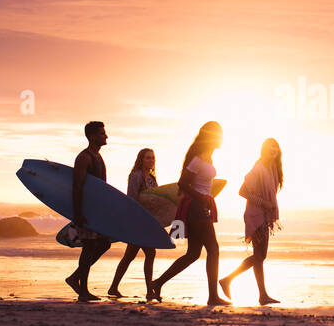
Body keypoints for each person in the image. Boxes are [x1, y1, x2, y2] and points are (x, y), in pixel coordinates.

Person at [149, 121, 229, 306]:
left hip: (200, 206)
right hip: (196, 208)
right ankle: (213, 296)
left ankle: (157, 283)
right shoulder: (198, 159)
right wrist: (201, 198)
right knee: (213, 249)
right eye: (219, 134)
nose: (222, 138)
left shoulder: (207, 158)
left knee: (193, 253)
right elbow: (183, 184)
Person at [220, 138, 283, 305]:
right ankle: (227, 280)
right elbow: (242, 191)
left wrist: (267, 206)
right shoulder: (258, 168)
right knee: (260, 255)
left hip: (262, 215)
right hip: (256, 215)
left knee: (259, 256)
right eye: (270, 147)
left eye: (275, 147)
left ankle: (262, 295)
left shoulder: (272, 169)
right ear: (263, 149)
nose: (273, 150)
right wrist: (264, 203)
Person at [64, 121, 111, 301]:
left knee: (103, 244)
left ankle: (75, 278)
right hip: (86, 210)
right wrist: (77, 213)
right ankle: (82, 290)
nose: (106, 136)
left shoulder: (98, 157)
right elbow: (77, 187)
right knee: (89, 247)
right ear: (92, 136)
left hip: (97, 211)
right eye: (102, 133)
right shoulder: (84, 158)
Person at [108, 148, 158, 298]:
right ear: (141, 160)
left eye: (153, 158)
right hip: (138, 221)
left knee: (130, 255)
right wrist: (134, 221)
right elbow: (131, 198)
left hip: (147, 221)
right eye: (148, 158)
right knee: (149, 253)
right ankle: (150, 291)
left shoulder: (151, 178)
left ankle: (113, 287)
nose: (151, 161)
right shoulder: (136, 176)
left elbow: (156, 199)